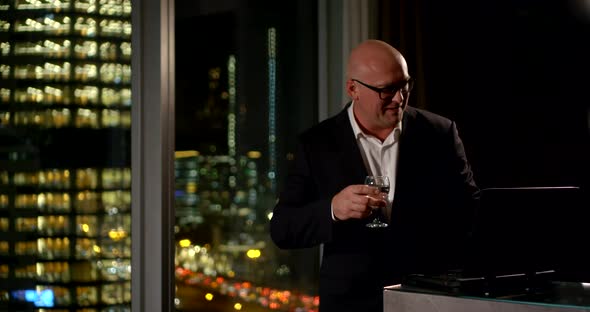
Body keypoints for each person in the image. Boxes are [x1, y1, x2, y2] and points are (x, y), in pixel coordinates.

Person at [269, 39, 480, 312]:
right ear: (353, 89)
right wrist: (333, 209)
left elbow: (471, 208)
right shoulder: (316, 144)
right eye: (386, 90)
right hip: (351, 302)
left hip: (428, 296)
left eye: (404, 85)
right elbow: (283, 228)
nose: (399, 99)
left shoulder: (439, 132)